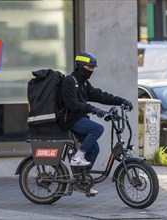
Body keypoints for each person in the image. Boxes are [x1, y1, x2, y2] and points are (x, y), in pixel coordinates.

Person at [58, 52, 133, 195]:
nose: (91, 70)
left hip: (79, 118)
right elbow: (72, 104)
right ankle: (78, 157)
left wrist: (121, 100)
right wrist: (93, 109)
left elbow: (100, 96)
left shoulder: (84, 83)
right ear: (79, 66)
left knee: (94, 149)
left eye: (93, 68)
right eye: (89, 67)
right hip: (69, 120)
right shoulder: (70, 81)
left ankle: (82, 181)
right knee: (97, 129)